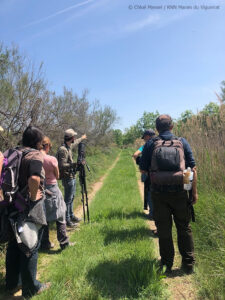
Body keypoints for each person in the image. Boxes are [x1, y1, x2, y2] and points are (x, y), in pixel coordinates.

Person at [140, 115, 198, 274]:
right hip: (180, 193)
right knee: (184, 228)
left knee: (164, 229)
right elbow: (191, 169)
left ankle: (167, 264)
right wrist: (192, 191)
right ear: (172, 127)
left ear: (157, 129)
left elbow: (143, 169)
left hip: (159, 195)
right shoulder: (182, 142)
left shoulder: (151, 143)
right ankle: (188, 264)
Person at [5, 126, 51, 298]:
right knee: (30, 246)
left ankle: (11, 283)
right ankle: (31, 287)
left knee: (14, 245)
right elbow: (34, 178)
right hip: (27, 208)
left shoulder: (11, 152)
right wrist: (33, 197)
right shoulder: (35, 155)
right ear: (38, 142)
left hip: (11, 205)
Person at [40, 136, 74, 250]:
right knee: (60, 214)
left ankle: (45, 243)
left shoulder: (34, 158)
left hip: (40, 189)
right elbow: (58, 175)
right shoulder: (51, 159)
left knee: (44, 217)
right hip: (52, 188)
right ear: (47, 145)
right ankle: (64, 242)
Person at [57, 129, 87, 227]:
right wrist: (75, 164)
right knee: (68, 199)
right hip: (67, 177)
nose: (75, 138)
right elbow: (61, 165)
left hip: (72, 176)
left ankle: (71, 215)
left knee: (72, 197)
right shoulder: (63, 150)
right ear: (71, 138)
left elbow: (76, 142)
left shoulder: (68, 146)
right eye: (74, 137)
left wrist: (81, 138)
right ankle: (67, 220)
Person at [133, 129, 155, 218]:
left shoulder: (146, 145)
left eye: (144, 138)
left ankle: (152, 213)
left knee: (149, 192)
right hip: (161, 174)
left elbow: (135, 155)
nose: (144, 140)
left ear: (147, 136)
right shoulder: (161, 142)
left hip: (148, 173)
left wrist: (138, 161)